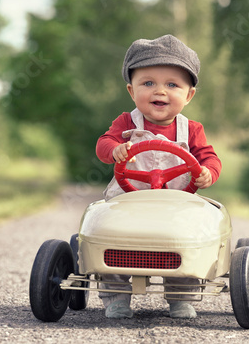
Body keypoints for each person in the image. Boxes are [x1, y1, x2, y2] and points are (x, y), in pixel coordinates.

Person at [95, 34, 222, 319]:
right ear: (132, 91)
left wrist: (207, 173)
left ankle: (180, 296)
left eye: (172, 85)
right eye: (148, 83)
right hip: (128, 201)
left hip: (177, 205)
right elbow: (103, 144)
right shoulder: (127, 122)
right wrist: (114, 149)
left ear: (188, 95)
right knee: (112, 239)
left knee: (186, 242)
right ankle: (116, 296)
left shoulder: (191, 130)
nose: (160, 91)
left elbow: (210, 157)